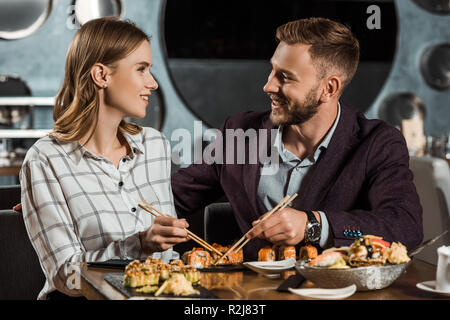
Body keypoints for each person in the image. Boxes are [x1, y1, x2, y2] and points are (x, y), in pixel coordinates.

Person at [171, 17, 423, 261]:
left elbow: (405, 227)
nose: (268, 85)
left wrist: (313, 225)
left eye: (285, 77)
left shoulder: (377, 143)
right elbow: (171, 197)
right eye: (272, 70)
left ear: (329, 89)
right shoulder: (239, 132)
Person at [20, 17, 189, 300]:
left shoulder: (155, 146)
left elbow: (167, 260)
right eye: (142, 69)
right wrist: (139, 245)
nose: (153, 83)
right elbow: (66, 276)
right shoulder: (45, 160)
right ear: (101, 75)